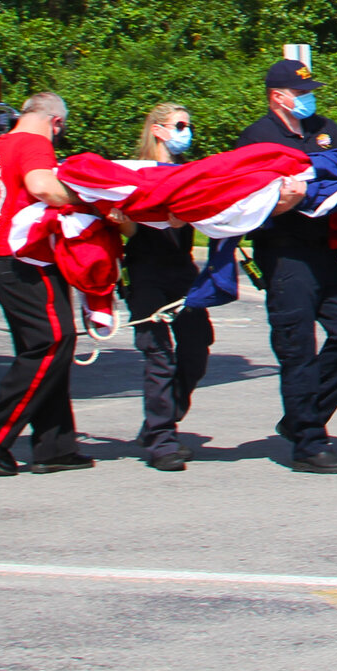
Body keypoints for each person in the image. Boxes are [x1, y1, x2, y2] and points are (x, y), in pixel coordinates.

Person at [237, 56, 337, 474]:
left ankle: (300, 418)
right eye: (302, 93)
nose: (310, 100)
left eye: (312, 92)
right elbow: (252, 197)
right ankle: (309, 442)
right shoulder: (257, 137)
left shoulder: (323, 129)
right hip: (284, 250)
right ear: (278, 97)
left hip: (322, 248)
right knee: (298, 348)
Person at [0, 91, 93, 476]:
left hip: (1, 261)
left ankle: (55, 444)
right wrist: (84, 202)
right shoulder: (35, 144)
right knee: (54, 343)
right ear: (56, 122)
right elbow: (42, 187)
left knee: (43, 349)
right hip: (29, 261)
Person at [124, 102, 212, 472]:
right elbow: (127, 230)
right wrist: (124, 219)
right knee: (158, 354)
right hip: (145, 270)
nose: (185, 132)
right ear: (158, 130)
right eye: (179, 125)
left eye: (187, 125)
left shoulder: (186, 174)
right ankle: (162, 440)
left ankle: (160, 420)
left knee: (196, 347)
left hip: (181, 269)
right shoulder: (135, 174)